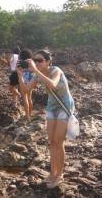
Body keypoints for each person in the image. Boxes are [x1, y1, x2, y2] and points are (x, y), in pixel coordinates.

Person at [25, 49, 75, 188]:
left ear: (48, 62)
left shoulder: (56, 70)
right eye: (35, 61)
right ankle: (52, 173)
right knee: (51, 142)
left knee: (59, 142)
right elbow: (26, 89)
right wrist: (18, 75)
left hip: (64, 107)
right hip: (51, 108)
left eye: (40, 60)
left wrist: (35, 70)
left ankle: (60, 175)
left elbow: (52, 84)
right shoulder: (37, 73)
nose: (36, 63)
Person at [16, 49, 34, 121]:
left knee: (25, 98)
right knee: (29, 98)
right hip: (31, 80)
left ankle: (27, 116)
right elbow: (33, 70)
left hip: (22, 81)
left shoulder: (19, 62)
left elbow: (17, 71)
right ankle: (30, 114)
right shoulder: (31, 62)